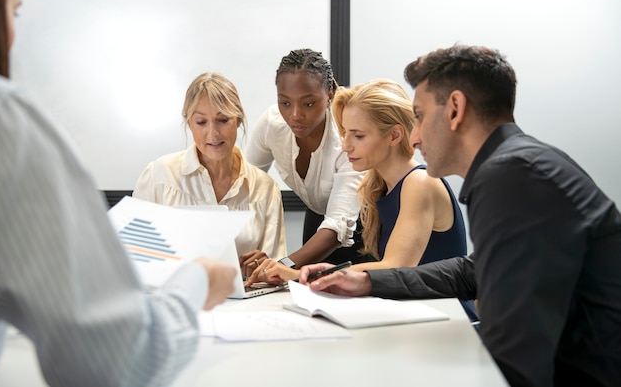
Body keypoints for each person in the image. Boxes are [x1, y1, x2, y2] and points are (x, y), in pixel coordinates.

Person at [299, 45, 621, 387]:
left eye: (419, 116)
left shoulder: (512, 174)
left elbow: (521, 347)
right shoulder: (519, 164)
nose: (416, 135)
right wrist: (367, 280)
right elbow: (474, 269)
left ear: (455, 109)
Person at [0, 0, 238, 385]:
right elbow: (118, 362)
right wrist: (198, 278)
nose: (212, 132)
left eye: (223, 120)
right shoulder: (7, 123)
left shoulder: (262, 184)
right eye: (14, 12)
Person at [247, 78, 477, 321]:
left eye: (357, 136)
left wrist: (299, 275)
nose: (345, 146)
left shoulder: (419, 183)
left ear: (394, 135)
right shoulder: (379, 187)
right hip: (413, 316)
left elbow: (395, 267)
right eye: (345, 134)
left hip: (448, 322)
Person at [133, 72, 287, 278]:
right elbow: (135, 261)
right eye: (201, 122)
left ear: (239, 120)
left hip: (245, 307)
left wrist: (264, 269)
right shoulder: (158, 176)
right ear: (188, 123)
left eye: (223, 120)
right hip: (174, 303)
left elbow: (275, 270)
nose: (213, 133)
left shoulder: (265, 188)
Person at [244, 48, 373, 273]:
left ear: (331, 91)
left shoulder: (347, 137)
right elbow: (245, 185)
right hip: (317, 219)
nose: (295, 115)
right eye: (285, 103)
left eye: (308, 104)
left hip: (362, 230)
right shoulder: (272, 125)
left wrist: (282, 265)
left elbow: (337, 226)